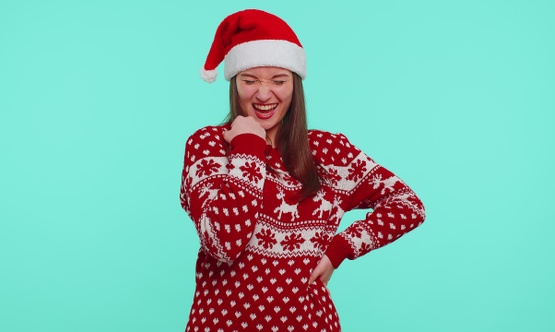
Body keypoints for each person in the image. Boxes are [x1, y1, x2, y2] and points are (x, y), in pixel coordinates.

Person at [180, 9, 426, 332]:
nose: (264, 94)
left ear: (295, 85)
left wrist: (341, 248)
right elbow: (224, 243)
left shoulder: (328, 153)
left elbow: (408, 204)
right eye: (250, 80)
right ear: (234, 83)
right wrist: (249, 147)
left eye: (278, 81)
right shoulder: (207, 148)